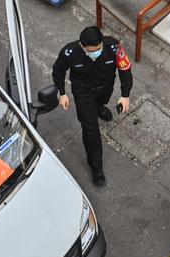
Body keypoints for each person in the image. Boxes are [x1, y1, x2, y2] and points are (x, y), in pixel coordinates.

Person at [52, 26, 133, 186]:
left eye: (98, 49)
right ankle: (96, 168)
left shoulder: (113, 47)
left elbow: (125, 69)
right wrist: (62, 93)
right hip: (83, 94)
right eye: (91, 51)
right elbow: (58, 71)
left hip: (105, 88)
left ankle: (100, 109)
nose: (96, 52)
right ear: (82, 46)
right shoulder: (70, 52)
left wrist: (125, 95)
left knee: (102, 103)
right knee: (91, 131)